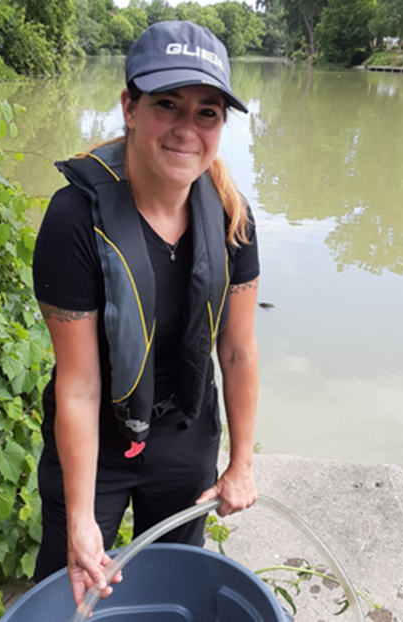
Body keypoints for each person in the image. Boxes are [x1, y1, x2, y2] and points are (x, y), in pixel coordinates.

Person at [32, 20, 260, 607]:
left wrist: (241, 462)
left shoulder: (233, 216)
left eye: (207, 112)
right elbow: (78, 388)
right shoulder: (73, 220)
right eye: (168, 105)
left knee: (177, 580)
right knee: (74, 588)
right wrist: (81, 519)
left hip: (185, 428)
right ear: (129, 107)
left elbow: (236, 352)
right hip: (96, 441)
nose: (188, 129)